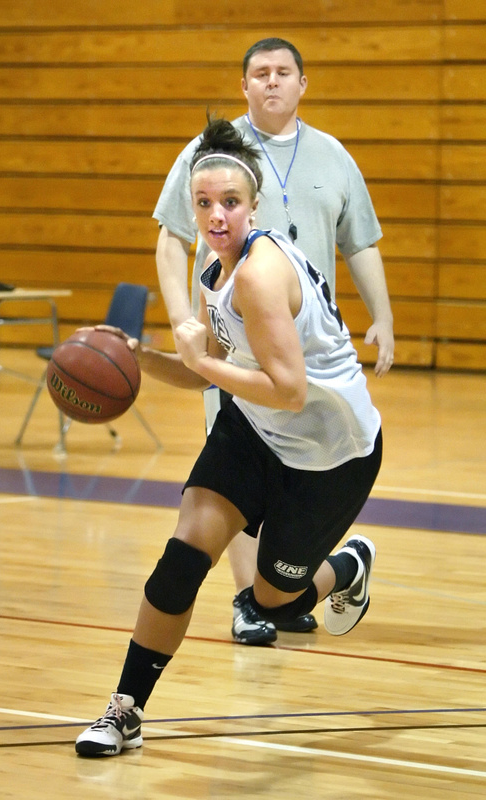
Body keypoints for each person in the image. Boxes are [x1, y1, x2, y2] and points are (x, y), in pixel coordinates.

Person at [75, 117, 383, 758]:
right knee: (182, 558)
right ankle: (125, 711)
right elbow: (213, 368)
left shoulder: (258, 273)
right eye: (204, 204)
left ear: (254, 205)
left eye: (230, 203)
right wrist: (138, 357)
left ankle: (349, 565)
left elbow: (289, 389)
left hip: (331, 451)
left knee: (272, 603)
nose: (216, 215)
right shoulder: (216, 269)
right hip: (256, 429)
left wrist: (200, 359)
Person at [153, 37, 393, 646]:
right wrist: (184, 322)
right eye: (260, 73)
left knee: (296, 470)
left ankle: (292, 585)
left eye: (283, 72)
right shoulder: (212, 153)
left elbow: (359, 242)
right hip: (233, 341)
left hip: (307, 348)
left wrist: (383, 317)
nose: (272, 82)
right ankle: (248, 603)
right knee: (233, 475)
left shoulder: (333, 156)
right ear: (244, 86)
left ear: (302, 84)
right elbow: (170, 237)